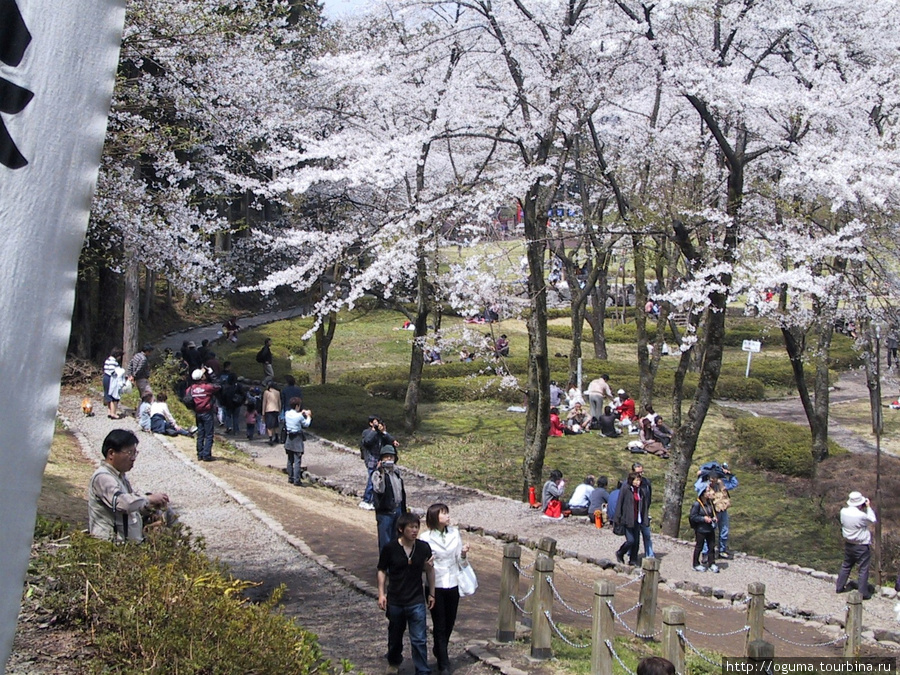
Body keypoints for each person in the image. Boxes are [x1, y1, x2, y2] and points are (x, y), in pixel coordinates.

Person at [88, 429, 172, 543]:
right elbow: (124, 504)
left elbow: (131, 510)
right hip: (110, 547)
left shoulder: (120, 477)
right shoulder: (103, 478)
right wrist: (148, 499)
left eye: (135, 453)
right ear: (111, 453)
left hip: (126, 546)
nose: (133, 458)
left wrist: (150, 507)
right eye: (129, 453)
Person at [377, 512, 435, 675]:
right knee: (395, 635)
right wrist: (381, 594)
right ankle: (394, 661)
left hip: (416, 599)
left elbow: (430, 570)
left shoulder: (423, 547)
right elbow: (381, 570)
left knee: (419, 638)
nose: (415, 530)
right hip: (395, 599)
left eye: (417, 527)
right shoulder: (390, 548)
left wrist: (432, 593)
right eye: (411, 527)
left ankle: (422, 670)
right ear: (401, 529)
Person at [419, 504, 469, 675]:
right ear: (434, 517)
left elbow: (459, 560)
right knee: (439, 623)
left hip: (453, 582)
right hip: (435, 584)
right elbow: (423, 563)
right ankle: (443, 662)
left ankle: (440, 649)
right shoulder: (425, 538)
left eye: (447, 513)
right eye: (443, 513)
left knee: (450, 621)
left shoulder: (455, 533)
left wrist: (463, 554)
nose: (447, 516)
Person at [836, 491, 877, 599]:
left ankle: (839, 587)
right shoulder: (861, 515)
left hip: (849, 544)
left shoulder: (843, 511)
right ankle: (863, 592)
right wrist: (868, 507)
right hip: (861, 545)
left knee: (846, 565)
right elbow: (873, 519)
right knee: (863, 569)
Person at [694, 462, 738, 559]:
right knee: (709, 532)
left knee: (724, 531)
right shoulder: (705, 485)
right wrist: (701, 476)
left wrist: (730, 475)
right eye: (712, 478)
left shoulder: (722, 483)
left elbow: (734, 484)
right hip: (712, 511)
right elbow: (697, 487)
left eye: (715, 477)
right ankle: (706, 553)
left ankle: (722, 550)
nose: (714, 480)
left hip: (723, 510)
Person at [372, 446, 408, 552]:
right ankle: (385, 567)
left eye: (391, 457)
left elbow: (401, 492)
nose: (388, 459)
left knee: (397, 540)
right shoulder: (377, 474)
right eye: (386, 457)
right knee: (385, 542)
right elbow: (379, 489)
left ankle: (395, 565)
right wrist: (381, 472)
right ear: (381, 459)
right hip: (385, 512)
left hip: (398, 510)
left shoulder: (396, 473)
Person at [359, 416, 399, 510]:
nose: (377, 424)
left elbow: (389, 440)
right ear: (371, 423)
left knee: (378, 480)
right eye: (375, 422)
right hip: (371, 459)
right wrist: (374, 430)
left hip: (379, 459)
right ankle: (366, 500)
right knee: (372, 480)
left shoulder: (381, 434)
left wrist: (384, 432)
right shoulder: (367, 432)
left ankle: (373, 501)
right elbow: (367, 441)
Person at [613, 471, 646, 565]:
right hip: (627, 518)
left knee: (636, 541)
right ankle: (620, 552)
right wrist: (617, 518)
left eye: (639, 480)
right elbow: (620, 503)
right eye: (636, 480)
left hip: (637, 518)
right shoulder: (626, 488)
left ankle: (633, 560)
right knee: (630, 540)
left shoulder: (640, 490)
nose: (638, 482)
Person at [188, 368, 220, 462]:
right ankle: (207, 455)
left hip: (198, 413)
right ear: (202, 377)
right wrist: (211, 373)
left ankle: (200, 454)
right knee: (209, 434)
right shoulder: (207, 387)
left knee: (200, 434)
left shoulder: (191, 389)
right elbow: (218, 385)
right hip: (207, 413)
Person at [690, 485, 719, 572]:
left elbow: (712, 513)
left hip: (710, 528)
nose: (709, 493)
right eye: (707, 491)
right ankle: (695, 564)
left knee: (711, 546)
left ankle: (711, 563)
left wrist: (714, 518)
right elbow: (693, 517)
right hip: (701, 529)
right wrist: (703, 519)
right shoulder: (697, 504)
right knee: (699, 546)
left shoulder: (710, 503)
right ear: (702, 493)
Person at [284, 397, 312, 486]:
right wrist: (309, 416)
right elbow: (306, 424)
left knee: (290, 460)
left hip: (289, 438)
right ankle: (297, 480)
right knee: (297, 460)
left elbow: (295, 415)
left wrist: (301, 412)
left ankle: (290, 478)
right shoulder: (299, 416)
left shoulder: (287, 413)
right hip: (297, 438)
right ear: (297, 406)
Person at [631, 462, 655, 558]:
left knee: (647, 535)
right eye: (638, 473)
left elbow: (648, 498)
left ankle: (650, 555)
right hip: (633, 514)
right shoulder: (629, 484)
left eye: (641, 472)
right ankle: (631, 554)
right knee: (633, 537)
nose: (640, 475)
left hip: (643, 513)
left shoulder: (646, 483)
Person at [102, 347, 125, 419]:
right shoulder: (113, 361)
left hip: (106, 378)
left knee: (108, 395)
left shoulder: (108, 359)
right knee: (114, 396)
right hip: (111, 379)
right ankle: (113, 413)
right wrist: (120, 373)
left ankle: (109, 412)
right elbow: (113, 372)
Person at [262, 381, 281, 445]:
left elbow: (264, 402)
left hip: (269, 410)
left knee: (269, 426)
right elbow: (279, 402)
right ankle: (276, 437)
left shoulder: (266, 392)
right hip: (276, 409)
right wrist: (279, 410)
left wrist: (263, 412)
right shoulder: (277, 392)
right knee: (276, 424)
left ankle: (270, 439)